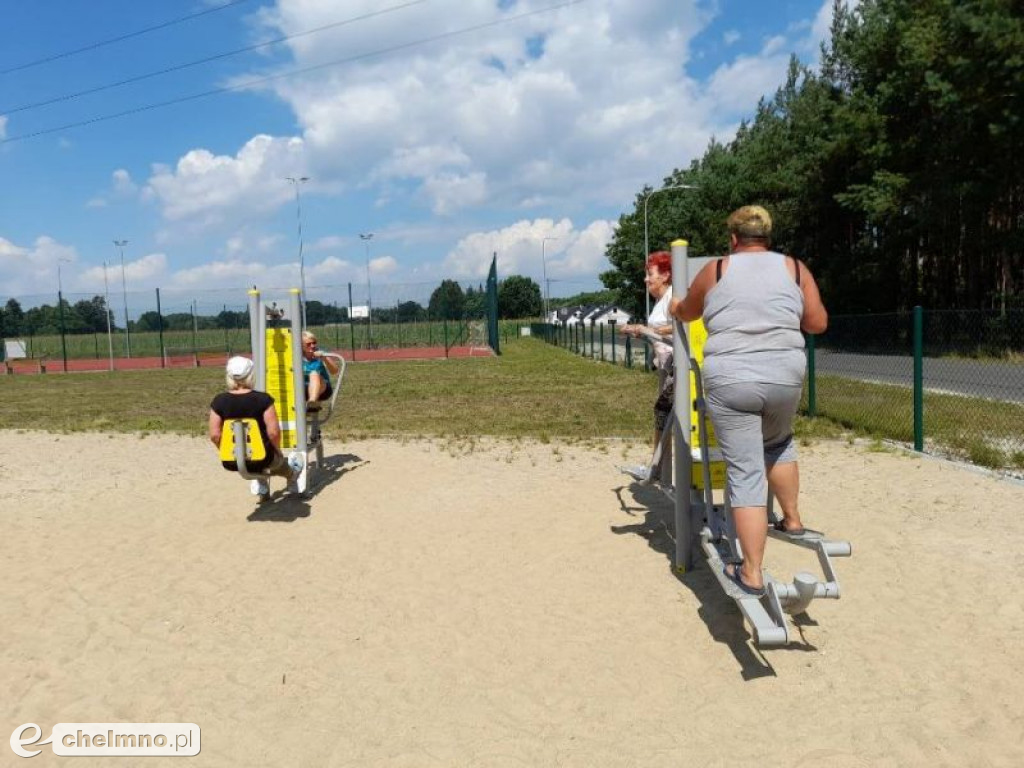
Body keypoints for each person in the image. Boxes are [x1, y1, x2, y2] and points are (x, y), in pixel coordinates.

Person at [668, 205, 828, 596]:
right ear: (768, 237)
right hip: (784, 375)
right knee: (778, 442)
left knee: (745, 470)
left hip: (732, 377)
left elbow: (688, 311)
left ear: (733, 239)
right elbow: (817, 323)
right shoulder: (795, 269)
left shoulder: (718, 270)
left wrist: (675, 306)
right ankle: (792, 519)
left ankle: (752, 572)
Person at [208, 355, 299, 498]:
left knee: (257, 459)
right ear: (251, 375)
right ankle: (292, 475)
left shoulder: (219, 401)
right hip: (264, 457)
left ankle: (262, 483)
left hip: (232, 460)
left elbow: (214, 435)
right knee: (274, 460)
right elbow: (274, 432)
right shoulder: (263, 399)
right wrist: (277, 451)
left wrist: (225, 450)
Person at [619, 251, 675, 463]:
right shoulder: (661, 300)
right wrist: (640, 331)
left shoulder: (673, 296)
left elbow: (681, 325)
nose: (646, 279)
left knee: (664, 412)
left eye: (650, 274)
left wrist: (645, 329)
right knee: (663, 413)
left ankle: (658, 465)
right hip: (666, 367)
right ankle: (659, 465)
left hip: (677, 368)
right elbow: (659, 331)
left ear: (665, 275)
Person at [301, 331, 340, 406]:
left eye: (314, 343)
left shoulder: (321, 354)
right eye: (308, 344)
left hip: (323, 388)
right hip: (302, 388)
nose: (312, 346)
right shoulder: (296, 357)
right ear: (301, 346)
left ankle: (312, 402)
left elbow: (334, 371)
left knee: (314, 373)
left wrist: (324, 358)